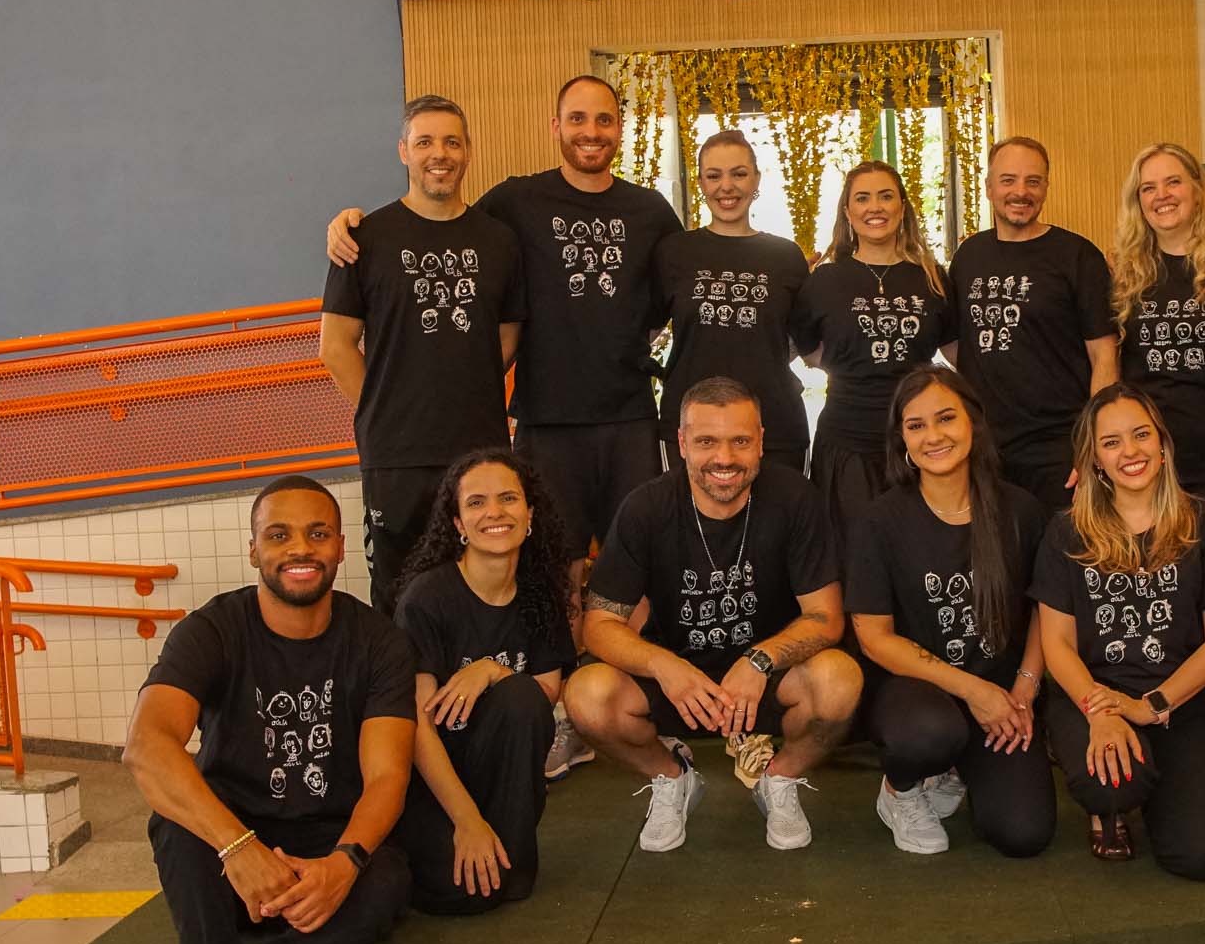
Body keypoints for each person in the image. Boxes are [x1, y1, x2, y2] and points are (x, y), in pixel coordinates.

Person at [108, 476, 415, 944]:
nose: (299, 549)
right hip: (232, 846)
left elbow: (388, 777)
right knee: (174, 824)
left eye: (317, 533)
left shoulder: (378, 641)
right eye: (279, 535)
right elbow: (147, 747)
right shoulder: (212, 630)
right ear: (253, 551)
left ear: (340, 548)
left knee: (390, 876)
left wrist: (344, 863)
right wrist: (236, 847)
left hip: (322, 852)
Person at [325, 75, 680, 575]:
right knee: (530, 569)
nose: (590, 131)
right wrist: (388, 410)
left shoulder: (644, 212)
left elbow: (673, 296)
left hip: (611, 420)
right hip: (530, 426)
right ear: (556, 126)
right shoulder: (512, 204)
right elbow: (339, 341)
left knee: (621, 564)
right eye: (577, 118)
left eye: (604, 119)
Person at [563, 377, 863, 852]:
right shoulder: (646, 507)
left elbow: (825, 617)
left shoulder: (795, 498)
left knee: (840, 681)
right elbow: (600, 624)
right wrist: (664, 665)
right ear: (682, 443)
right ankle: (671, 777)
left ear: (761, 441)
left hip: (769, 676)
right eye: (706, 441)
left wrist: (760, 660)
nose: (724, 458)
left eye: (739, 441)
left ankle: (779, 778)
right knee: (587, 696)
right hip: (678, 680)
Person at [1032, 384, 1205, 873]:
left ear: (1163, 443)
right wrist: (1101, 712)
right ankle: (1108, 808)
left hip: (1181, 698)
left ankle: (1166, 784)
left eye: (1141, 435)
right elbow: (1056, 643)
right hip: (1092, 695)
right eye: (1111, 442)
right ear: (1095, 460)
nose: (1130, 451)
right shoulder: (1066, 531)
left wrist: (1151, 707)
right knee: (1113, 785)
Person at [319, 95, 525, 611]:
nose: (440, 154)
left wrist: (461, 390)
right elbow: (335, 346)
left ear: (468, 151)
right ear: (403, 151)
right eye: (425, 142)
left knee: (482, 588)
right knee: (400, 597)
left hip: (479, 451)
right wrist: (386, 412)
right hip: (397, 458)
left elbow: (506, 339)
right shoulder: (364, 238)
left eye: (452, 142)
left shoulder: (499, 240)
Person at [847, 365, 1053, 857]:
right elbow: (875, 638)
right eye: (916, 425)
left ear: (972, 422)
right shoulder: (878, 521)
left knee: (1023, 834)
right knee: (929, 733)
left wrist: (1024, 689)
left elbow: (1046, 610)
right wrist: (972, 690)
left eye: (946, 418)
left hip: (1001, 694)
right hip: (914, 694)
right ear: (901, 439)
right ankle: (900, 789)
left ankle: (955, 771)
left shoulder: (1021, 510)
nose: (934, 436)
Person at [388, 448, 576, 914]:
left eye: (508, 498)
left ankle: (510, 852)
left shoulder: (540, 594)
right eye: (476, 502)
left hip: (499, 775)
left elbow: (544, 696)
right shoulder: (427, 599)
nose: (494, 512)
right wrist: (466, 820)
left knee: (521, 696)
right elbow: (416, 728)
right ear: (457, 523)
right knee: (459, 894)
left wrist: (493, 669)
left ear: (529, 514)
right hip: (433, 780)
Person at [949, 137, 1118, 511]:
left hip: (1060, 449)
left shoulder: (1077, 256)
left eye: (1033, 181)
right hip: (984, 447)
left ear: (1046, 187)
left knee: (1062, 546)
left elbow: (1104, 356)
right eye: (1008, 180)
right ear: (989, 187)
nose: (1020, 192)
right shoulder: (968, 256)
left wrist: (1095, 441)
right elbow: (957, 342)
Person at [797, 159, 956, 543]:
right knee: (854, 553)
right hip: (847, 442)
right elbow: (810, 354)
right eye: (863, 198)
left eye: (886, 197)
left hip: (918, 440)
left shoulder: (932, 277)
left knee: (920, 549)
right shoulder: (825, 280)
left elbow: (958, 355)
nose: (875, 207)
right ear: (847, 211)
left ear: (902, 207)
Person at [653, 129, 813, 474]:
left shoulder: (785, 256)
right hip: (692, 431)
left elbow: (805, 343)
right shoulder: (674, 251)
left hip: (775, 427)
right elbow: (645, 331)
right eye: (714, 176)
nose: (727, 186)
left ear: (756, 179)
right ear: (700, 183)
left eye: (739, 174)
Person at [1113, 142, 1205, 493]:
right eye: (1148, 188)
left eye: (1173, 182)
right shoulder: (1125, 270)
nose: (1161, 195)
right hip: (1150, 457)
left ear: (1197, 188)